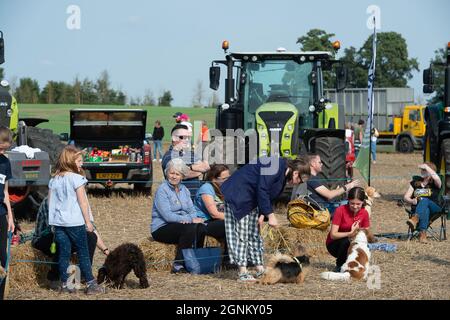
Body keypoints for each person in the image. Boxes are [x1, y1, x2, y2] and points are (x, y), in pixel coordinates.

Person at [221, 156, 311, 282]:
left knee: (254, 234)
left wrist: (263, 213)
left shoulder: (282, 175)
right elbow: (262, 189)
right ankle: (242, 272)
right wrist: (270, 214)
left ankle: (259, 268)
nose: (297, 183)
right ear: (296, 173)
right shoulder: (274, 165)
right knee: (242, 234)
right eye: (299, 180)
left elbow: (269, 194)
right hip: (238, 195)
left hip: (252, 199)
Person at [48, 146, 104, 294]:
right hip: (75, 223)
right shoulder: (77, 179)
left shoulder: (54, 180)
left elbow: (51, 203)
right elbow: (82, 202)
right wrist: (88, 222)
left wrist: (52, 222)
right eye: (79, 161)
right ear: (70, 162)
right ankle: (91, 284)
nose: (81, 164)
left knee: (63, 254)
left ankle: (66, 285)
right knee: (83, 253)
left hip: (59, 223)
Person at [32, 196, 110, 289]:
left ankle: (83, 275)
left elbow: (91, 228)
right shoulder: (51, 199)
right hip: (45, 238)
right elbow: (54, 228)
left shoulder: (80, 201)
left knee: (91, 236)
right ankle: (55, 278)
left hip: (67, 234)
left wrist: (105, 250)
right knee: (62, 238)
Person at [151, 158, 207, 273]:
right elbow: (167, 216)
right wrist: (188, 219)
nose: (174, 176)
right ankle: (178, 264)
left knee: (201, 228)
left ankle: (197, 260)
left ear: (182, 176)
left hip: (181, 225)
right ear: (167, 173)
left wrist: (191, 219)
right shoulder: (162, 190)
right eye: (172, 173)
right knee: (189, 229)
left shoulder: (184, 190)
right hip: (162, 227)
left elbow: (192, 210)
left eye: (177, 174)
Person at [193, 164, 231, 266]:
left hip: (216, 221)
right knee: (228, 225)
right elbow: (214, 214)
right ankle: (227, 260)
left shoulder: (224, 188)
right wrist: (234, 218)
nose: (228, 180)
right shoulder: (206, 188)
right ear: (214, 179)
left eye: (229, 177)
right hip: (203, 222)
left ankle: (243, 256)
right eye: (224, 178)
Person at [325, 187, 370, 272]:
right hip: (335, 244)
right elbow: (333, 235)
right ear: (348, 200)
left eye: (358, 204)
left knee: (364, 245)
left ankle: (358, 265)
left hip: (353, 241)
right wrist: (350, 233)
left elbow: (366, 234)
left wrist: (358, 232)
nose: (355, 206)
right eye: (352, 203)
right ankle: (339, 265)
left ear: (363, 202)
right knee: (346, 241)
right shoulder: (340, 210)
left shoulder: (364, 213)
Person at [161, 124, 210, 198]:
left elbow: (206, 167)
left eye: (188, 137)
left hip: (195, 200)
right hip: (178, 200)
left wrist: (188, 168)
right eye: (182, 137)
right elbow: (179, 174)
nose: (186, 140)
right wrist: (195, 170)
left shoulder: (190, 154)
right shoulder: (169, 156)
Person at [404, 162, 442, 243]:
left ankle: (415, 218)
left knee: (424, 200)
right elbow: (406, 197)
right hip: (418, 208)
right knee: (425, 209)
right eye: (422, 169)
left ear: (430, 171)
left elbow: (437, 178)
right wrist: (411, 200)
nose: (422, 171)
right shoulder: (415, 182)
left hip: (434, 207)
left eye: (425, 170)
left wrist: (426, 167)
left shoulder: (435, 183)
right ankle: (422, 235)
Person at [0, 126, 14, 300]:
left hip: (1, 212)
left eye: (5, 148)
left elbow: (5, 193)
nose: (2, 151)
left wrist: (10, 217)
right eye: (0, 147)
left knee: (2, 256)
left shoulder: (5, 162)